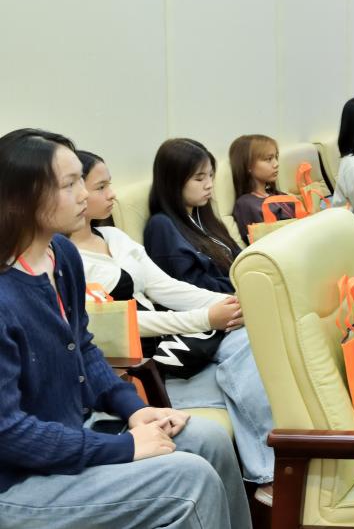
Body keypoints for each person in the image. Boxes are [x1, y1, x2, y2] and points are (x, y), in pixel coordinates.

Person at [0, 129, 251, 529]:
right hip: (17, 481)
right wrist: (122, 447)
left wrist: (136, 410)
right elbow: (9, 434)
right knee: (189, 479)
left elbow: (85, 349)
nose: (84, 195)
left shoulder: (61, 255)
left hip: (73, 434)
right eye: (70, 184)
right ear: (23, 196)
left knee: (210, 440)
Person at [70, 151, 276, 485]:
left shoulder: (114, 237)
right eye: (100, 187)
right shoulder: (68, 260)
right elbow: (121, 325)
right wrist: (206, 318)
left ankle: (270, 472)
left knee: (253, 344)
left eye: (109, 185)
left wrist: (234, 303)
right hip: (149, 361)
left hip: (177, 342)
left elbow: (166, 287)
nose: (112, 195)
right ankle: (270, 474)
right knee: (253, 367)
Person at [144, 138, 240, 294]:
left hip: (238, 294)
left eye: (210, 175)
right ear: (173, 181)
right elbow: (191, 285)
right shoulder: (162, 225)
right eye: (199, 178)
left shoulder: (202, 215)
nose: (209, 184)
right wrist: (240, 283)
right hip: (216, 303)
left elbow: (238, 256)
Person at [228, 133, 295, 244]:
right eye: (269, 159)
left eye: (276, 157)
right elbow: (263, 243)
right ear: (248, 165)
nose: (276, 164)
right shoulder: (246, 204)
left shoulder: (277, 195)